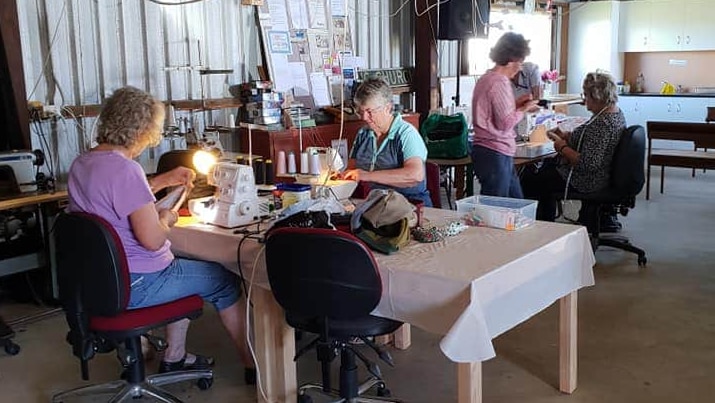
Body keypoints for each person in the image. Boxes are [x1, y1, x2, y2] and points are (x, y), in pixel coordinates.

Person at [66, 86, 256, 383]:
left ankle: (174, 356)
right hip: (138, 282)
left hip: (98, 282)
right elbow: (153, 240)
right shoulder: (125, 170)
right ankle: (253, 367)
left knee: (182, 264)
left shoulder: (82, 164)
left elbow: (116, 199)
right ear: (144, 130)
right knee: (223, 280)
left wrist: (161, 181)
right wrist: (166, 218)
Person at [520, 71, 626, 222]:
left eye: (586, 95)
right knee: (540, 172)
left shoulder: (602, 124)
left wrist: (562, 147)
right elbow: (593, 144)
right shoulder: (614, 114)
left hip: (587, 180)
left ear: (596, 96)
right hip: (602, 175)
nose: (584, 101)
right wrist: (569, 137)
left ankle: (542, 227)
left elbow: (587, 163)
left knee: (531, 180)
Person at [342, 78, 432, 206]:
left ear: (388, 108)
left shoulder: (406, 134)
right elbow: (351, 170)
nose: (364, 118)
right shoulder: (363, 134)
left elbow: (415, 175)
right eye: (360, 112)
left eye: (369, 111)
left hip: (410, 206)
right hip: (379, 205)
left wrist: (367, 175)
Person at [471, 32, 539, 198]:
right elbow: (505, 123)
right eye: (520, 62)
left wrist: (516, 105)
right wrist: (524, 109)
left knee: (516, 205)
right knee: (497, 210)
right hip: (495, 151)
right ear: (512, 59)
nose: (521, 67)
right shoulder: (500, 82)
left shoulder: (486, 78)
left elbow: (492, 114)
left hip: (489, 151)